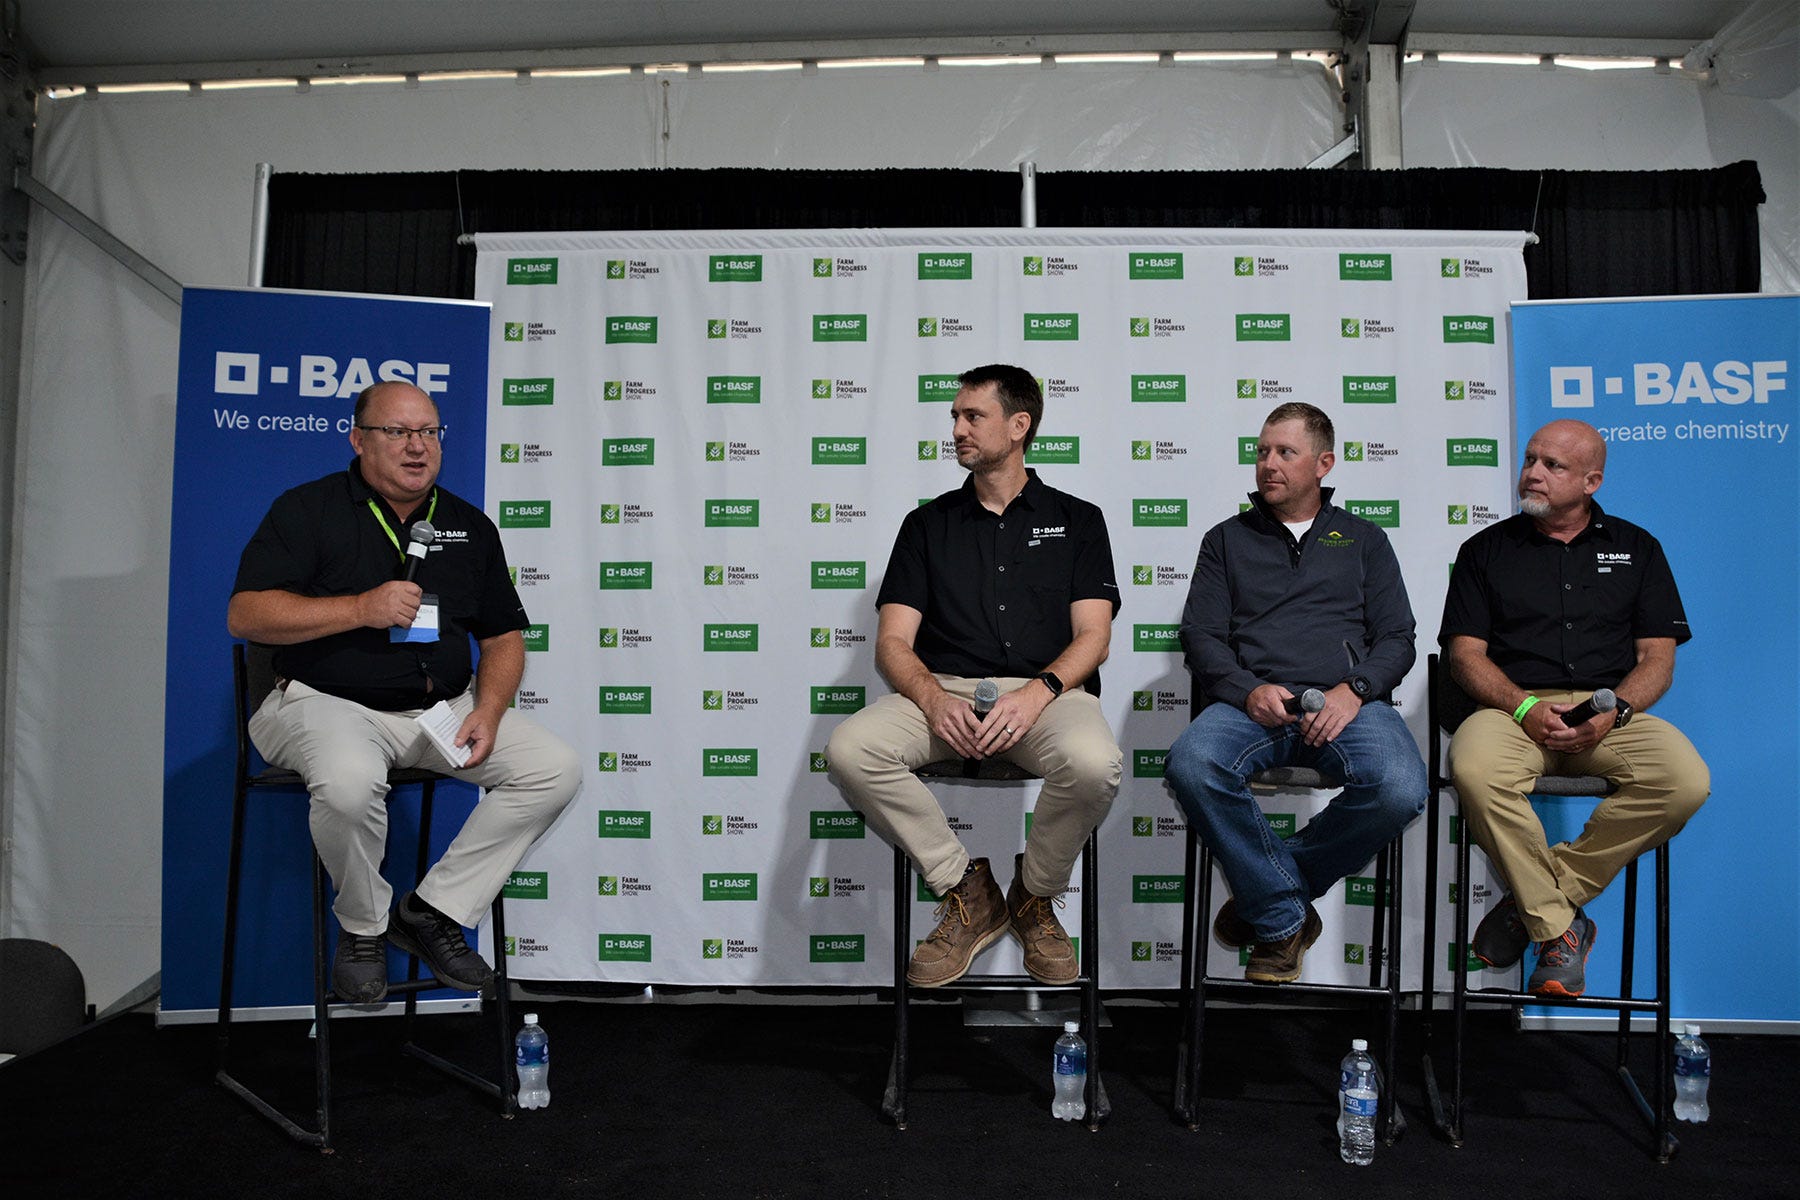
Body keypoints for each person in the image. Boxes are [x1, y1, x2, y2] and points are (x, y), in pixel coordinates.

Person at [228, 380, 582, 1003]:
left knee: (553, 769)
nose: (417, 447)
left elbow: (503, 637)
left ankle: (433, 911)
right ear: (359, 439)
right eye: (397, 432)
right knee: (347, 781)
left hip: (437, 711)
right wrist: (361, 607)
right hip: (323, 702)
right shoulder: (306, 509)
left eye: (429, 432)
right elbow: (248, 615)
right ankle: (363, 928)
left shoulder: (467, 524)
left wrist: (490, 711)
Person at [827, 364, 1122, 987]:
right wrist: (933, 700)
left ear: (1020, 426)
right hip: (946, 693)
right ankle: (967, 887)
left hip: (1047, 693)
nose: (956, 429)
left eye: (972, 416)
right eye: (954, 418)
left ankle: (1035, 895)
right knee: (851, 749)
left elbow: (1093, 637)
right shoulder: (927, 525)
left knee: (1095, 764)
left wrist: (1038, 692)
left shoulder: (1079, 519)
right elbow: (893, 643)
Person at [1441, 418, 1707, 997]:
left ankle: (1535, 902)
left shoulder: (1639, 548)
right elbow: (1464, 657)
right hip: (1512, 711)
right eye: (1530, 460)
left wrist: (1619, 710)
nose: (1532, 473)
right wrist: (1523, 706)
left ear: (1592, 480)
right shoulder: (1484, 551)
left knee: (1684, 780)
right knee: (1473, 767)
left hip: (1607, 713)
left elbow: (1657, 660)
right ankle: (1561, 927)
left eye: (1551, 466)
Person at [1164, 402, 1425, 983]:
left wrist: (1354, 690)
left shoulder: (1364, 539)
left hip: (1348, 707)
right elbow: (1201, 636)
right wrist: (1246, 690)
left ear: (1324, 463)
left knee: (1401, 787)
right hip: (1253, 707)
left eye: (1285, 452)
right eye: (1261, 452)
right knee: (1192, 761)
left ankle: (1270, 894)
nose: (1268, 464)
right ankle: (1284, 919)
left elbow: (1398, 639)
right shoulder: (1226, 540)